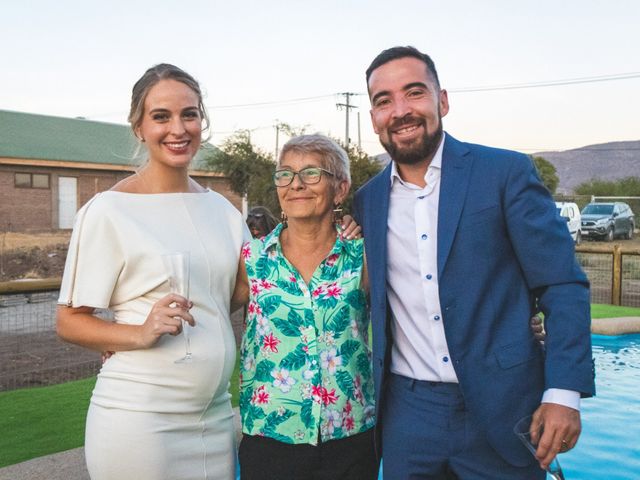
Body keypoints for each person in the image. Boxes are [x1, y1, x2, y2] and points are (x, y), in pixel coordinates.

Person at [352, 46, 595, 479]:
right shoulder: (368, 200)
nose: (401, 110)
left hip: (504, 407)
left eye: (414, 93)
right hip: (408, 416)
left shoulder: (504, 173)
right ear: (373, 117)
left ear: (442, 100)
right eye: (383, 100)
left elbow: (561, 283)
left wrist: (563, 391)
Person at [56, 64, 246, 480]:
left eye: (189, 114)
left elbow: (239, 294)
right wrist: (139, 333)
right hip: (140, 421)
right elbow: (70, 321)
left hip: (216, 419)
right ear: (139, 127)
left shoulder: (226, 213)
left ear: (202, 121)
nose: (178, 129)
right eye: (161, 116)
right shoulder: (109, 210)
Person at [231, 134, 379, 479]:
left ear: (340, 189)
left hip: (351, 438)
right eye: (285, 174)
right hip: (270, 439)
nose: (296, 184)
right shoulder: (250, 259)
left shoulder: (364, 256)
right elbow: (209, 315)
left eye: (311, 173)